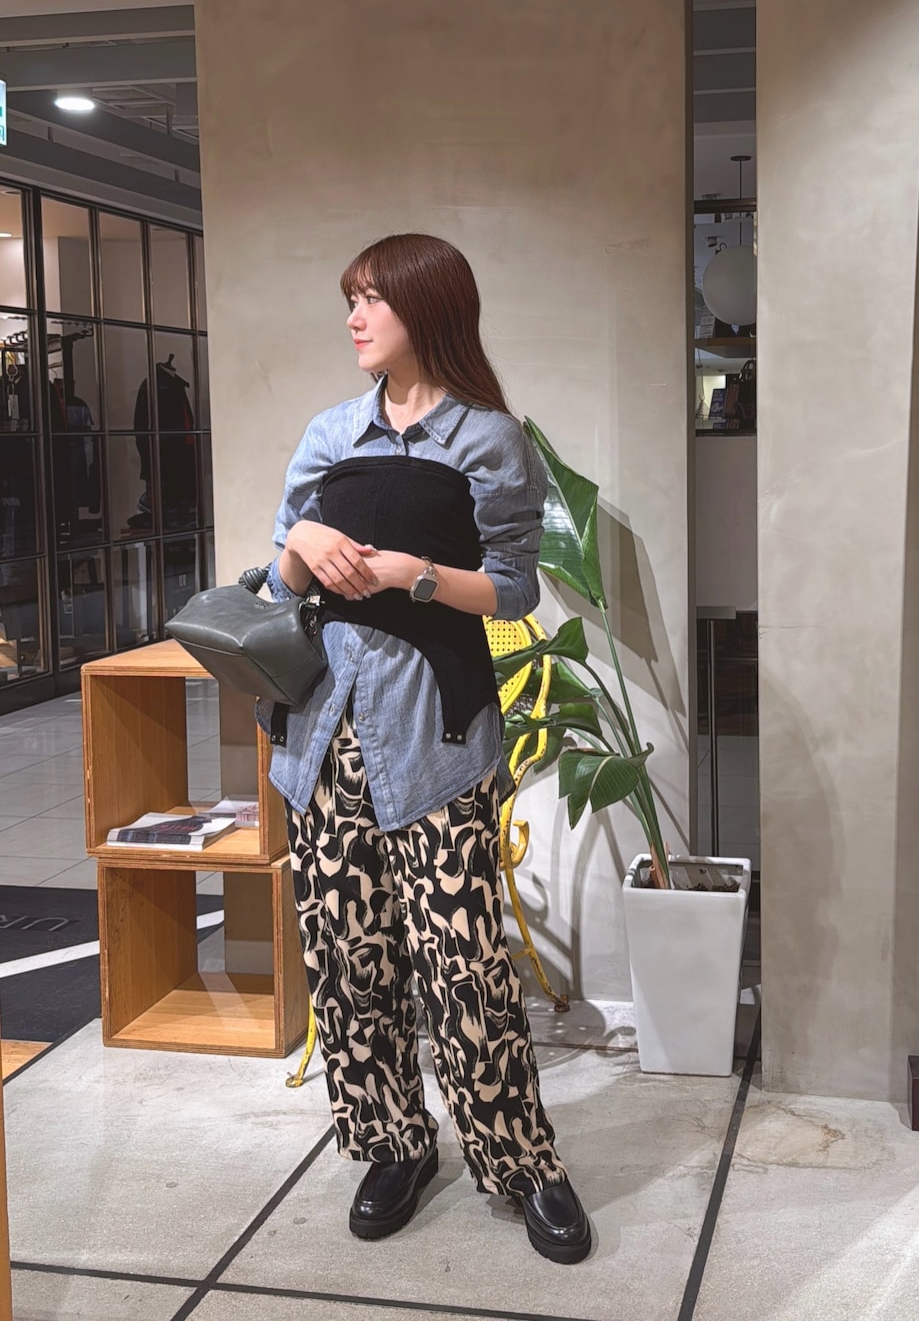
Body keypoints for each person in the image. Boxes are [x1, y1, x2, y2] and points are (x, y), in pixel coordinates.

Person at [262, 233, 591, 1265]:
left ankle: (521, 1161)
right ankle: (393, 1144)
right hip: (323, 736)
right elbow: (276, 583)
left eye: (372, 299)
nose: (354, 317)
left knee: (465, 964)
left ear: (427, 308)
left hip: (435, 734)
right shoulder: (330, 431)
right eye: (351, 299)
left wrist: (416, 575)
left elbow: (515, 587)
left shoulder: (487, 438)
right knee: (348, 956)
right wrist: (300, 546)